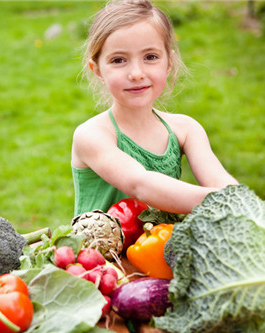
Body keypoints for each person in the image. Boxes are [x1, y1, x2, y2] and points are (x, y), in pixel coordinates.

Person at [71, 0, 238, 216]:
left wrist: (239, 198)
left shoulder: (186, 129)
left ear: (169, 63)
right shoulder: (92, 135)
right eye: (119, 60)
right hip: (99, 250)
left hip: (159, 248)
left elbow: (218, 180)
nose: (136, 73)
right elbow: (140, 184)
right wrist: (226, 203)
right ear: (97, 70)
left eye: (150, 57)